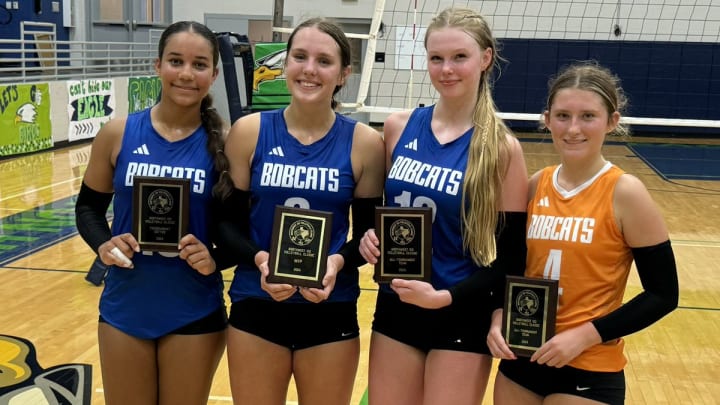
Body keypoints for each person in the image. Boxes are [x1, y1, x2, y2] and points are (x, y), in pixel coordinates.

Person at [358, 7, 529, 405]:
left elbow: (512, 258)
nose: (446, 69)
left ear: (485, 59)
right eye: (436, 58)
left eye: (459, 57)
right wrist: (368, 238)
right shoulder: (399, 127)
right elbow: (380, 215)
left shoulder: (501, 149)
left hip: (460, 310)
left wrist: (446, 298)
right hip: (397, 303)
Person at [214, 18, 385, 405]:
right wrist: (260, 260)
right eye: (300, 57)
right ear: (285, 63)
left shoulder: (365, 143)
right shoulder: (249, 131)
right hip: (256, 304)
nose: (309, 69)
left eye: (324, 61)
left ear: (343, 74)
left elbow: (369, 239)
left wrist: (338, 263)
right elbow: (225, 225)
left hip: (330, 307)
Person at [487, 61, 680, 405]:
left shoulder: (626, 192)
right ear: (547, 119)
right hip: (522, 357)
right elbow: (512, 266)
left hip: (588, 365)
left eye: (588, 116)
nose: (573, 128)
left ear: (612, 121)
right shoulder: (535, 185)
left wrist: (585, 336)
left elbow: (663, 295)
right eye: (562, 116)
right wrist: (499, 315)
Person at [74, 21, 229, 405]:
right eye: (176, 61)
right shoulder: (118, 133)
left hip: (193, 309)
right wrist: (102, 244)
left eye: (199, 64)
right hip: (126, 306)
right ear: (158, 65)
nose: (186, 74)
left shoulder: (226, 145)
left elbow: (238, 230)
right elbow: (88, 208)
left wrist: (216, 258)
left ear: (214, 73)